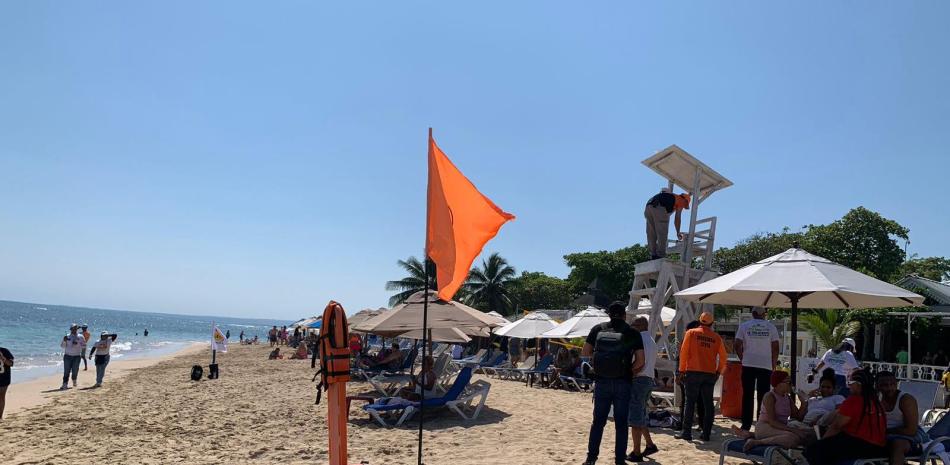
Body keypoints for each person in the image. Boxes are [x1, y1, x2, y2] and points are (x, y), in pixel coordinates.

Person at [582, 302, 644, 465]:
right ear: (624, 315)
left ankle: (591, 459)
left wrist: (599, 363)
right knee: (621, 424)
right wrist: (630, 370)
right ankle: (619, 460)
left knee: (598, 423)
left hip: (602, 382)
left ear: (609, 314)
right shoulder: (632, 332)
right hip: (623, 382)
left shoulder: (598, 329)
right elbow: (640, 360)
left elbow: (585, 352)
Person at [803, 369, 887, 465]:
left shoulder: (854, 400)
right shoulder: (877, 403)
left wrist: (822, 442)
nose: (848, 385)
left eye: (850, 382)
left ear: (858, 384)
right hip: (879, 448)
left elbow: (837, 426)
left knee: (813, 450)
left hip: (860, 445)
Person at [677, 311, 728, 442]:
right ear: (712, 323)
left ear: (699, 321)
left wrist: (681, 370)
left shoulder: (691, 333)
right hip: (709, 374)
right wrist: (718, 371)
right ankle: (706, 434)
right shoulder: (716, 338)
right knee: (708, 404)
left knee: (690, 402)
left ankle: (686, 432)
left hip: (693, 372)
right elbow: (723, 357)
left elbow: (684, 353)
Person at [731, 371, 812, 450]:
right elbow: (772, 421)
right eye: (789, 382)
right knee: (792, 438)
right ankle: (758, 442)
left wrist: (804, 404)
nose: (792, 385)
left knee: (807, 435)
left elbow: (798, 417)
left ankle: (750, 435)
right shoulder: (770, 396)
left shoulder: (787, 397)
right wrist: (794, 430)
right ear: (779, 383)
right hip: (765, 427)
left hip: (779, 428)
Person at [735, 307, 780, 431]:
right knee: (763, 396)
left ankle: (746, 424)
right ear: (764, 314)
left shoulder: (744, 326)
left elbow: (737, 344)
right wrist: (773, 364)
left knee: (747, 395)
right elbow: (776, 347)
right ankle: (761, 423)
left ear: (753, 314)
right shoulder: (771, 327)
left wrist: (742, 358)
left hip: (748, 364)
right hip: (765, 365)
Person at [877, 371, 928, 465]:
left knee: (897, 444)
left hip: (908, 437)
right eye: (884, 385)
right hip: (883, 434)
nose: (889, 388)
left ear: (896, 384)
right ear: (878, 386)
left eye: (892, 384)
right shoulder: (876, 398)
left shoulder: (906, 400)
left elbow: (911, 430)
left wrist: (887, 431)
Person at [627, 316, 659, 462]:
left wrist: (628, 372)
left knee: (635, 417)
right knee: (641, 413)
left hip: (639, 379)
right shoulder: (651, 340)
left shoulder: (639, 339)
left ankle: (636, 452)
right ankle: (650, 444)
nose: (631, 327)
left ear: (639, 326)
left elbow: (639, 362)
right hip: (648, 379)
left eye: (633, 324)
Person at [643, 188, 691, 260]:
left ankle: (653, 254)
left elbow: (666, 213)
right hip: (659, 207)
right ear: (686, 201)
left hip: (649, 206)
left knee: (651, 233)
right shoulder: (681, 200)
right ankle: (660, 255)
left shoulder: (672, 197)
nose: (684, 207)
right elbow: (677, 218)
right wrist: (678, 232)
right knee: (662, 232)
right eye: (685, 205)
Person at [677, 320, 705, 430]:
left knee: (688, 402)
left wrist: (679, 373)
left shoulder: (689, 340)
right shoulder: (689, 340)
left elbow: (680, 359)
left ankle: (686, 426)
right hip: (693, 373)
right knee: (695, 401)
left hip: (689, 373)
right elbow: (680, 359)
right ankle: (697, 425)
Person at [60, 324, 86, 390]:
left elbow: (84, 346)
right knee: (66, 371)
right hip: (67, 356)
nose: (74, 330)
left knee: (75, 371)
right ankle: (64, 384)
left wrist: (78, 344)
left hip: (77, 356)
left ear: (77, 329)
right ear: (70, 329)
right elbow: (62, 346)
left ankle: (74, 380)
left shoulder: (81, 336)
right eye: (72, 328)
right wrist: (64, 340)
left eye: (75, 328)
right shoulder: (67, 336)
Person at [0, 345, 13, 420]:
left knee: (1, 396)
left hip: (4, 378)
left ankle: (0, 416)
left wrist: (3, 358)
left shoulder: (5, 351)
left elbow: (11, 364)